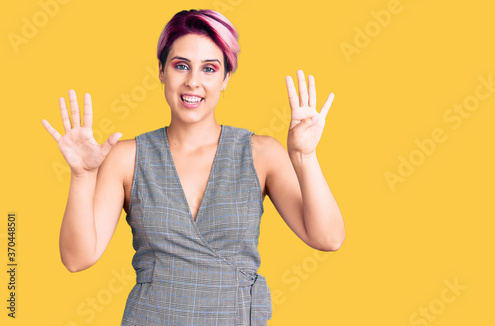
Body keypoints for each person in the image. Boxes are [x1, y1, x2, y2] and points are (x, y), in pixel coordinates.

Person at [41, 9, 345, 326]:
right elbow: (77, 259)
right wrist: (82, 175)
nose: (193, 82)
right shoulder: (127, 157)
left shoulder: (261, 153)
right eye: (181, 66)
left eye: (209, 69)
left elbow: (329, 238)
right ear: (161, 70)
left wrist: (305, 157)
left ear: (226, 77)